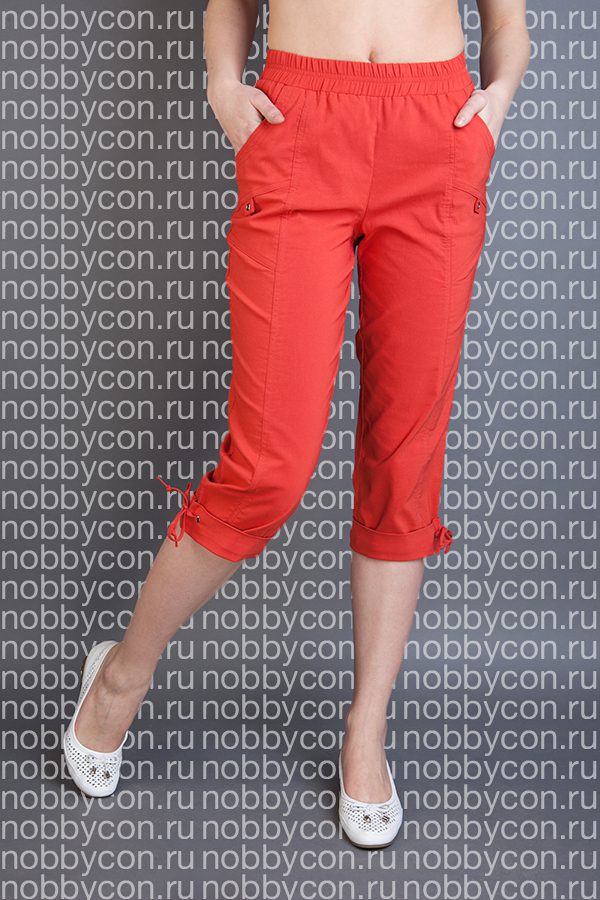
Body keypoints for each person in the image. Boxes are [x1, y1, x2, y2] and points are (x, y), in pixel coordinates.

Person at [64, 0, 530, 848]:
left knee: (406, 459)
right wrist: (222, 84)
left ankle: (366, 729)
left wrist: (493, 104)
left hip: (436, 132)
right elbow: (232, 5)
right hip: (300, 125)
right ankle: (122, 673)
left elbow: (507, 21)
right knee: (267, 468)